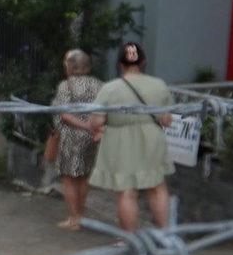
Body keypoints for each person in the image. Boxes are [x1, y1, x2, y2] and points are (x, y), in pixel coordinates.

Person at [89, 41, 175, 233]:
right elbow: (167, 120)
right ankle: (166, 234)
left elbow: (96, 121)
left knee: (127, 191)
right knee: (157, 187)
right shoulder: (159, 85)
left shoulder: (109, 88)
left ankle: (129, 238)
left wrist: (99, 128)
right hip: (152, 137)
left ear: (119, 64)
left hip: (120, 139)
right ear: (143, 61)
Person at [49, 49, 103, 230]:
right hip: (92, 136)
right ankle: (79, 216)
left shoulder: (66, 85)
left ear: (69, 68)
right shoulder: (99, 85)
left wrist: (84, 125)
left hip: (71, 136)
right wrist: (93, 127)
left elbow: (64, 115)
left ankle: (74, 219)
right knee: (83, 176)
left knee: (69, 177)